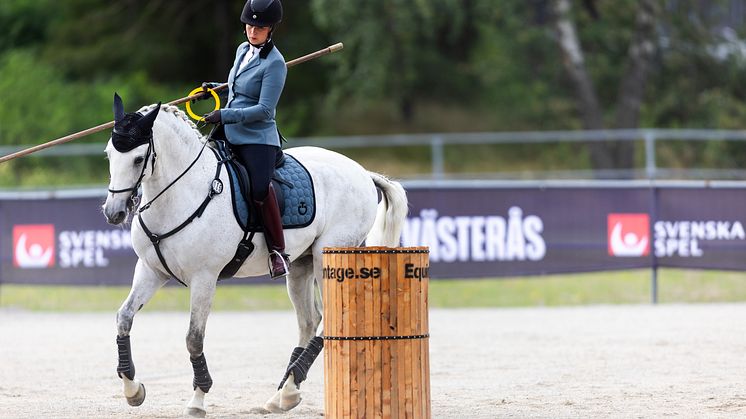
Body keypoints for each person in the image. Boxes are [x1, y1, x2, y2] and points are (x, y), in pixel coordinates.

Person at [198, 0, 289, 279]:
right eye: (249, 25)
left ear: (271, 28)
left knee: (259, 188)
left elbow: (263, 109)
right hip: (230, 128)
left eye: (259, 27)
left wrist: (224, 115)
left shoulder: (276, 64)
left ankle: (277, 251)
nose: (253, 31)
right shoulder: (241, 50)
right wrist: (216, 90)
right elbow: (238, 90)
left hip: (257, 137)